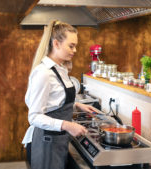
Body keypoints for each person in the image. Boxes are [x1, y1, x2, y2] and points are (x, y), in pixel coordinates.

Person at [22, 20, 98, 169]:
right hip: (46, 143)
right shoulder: (44, 73)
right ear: (56, 44)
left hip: (58, 140)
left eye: (75, 46)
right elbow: (34, 116)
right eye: (71, 46)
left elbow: (55, 100)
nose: (75, 50)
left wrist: (76, 105)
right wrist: (67, 125)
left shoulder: (60, 69)